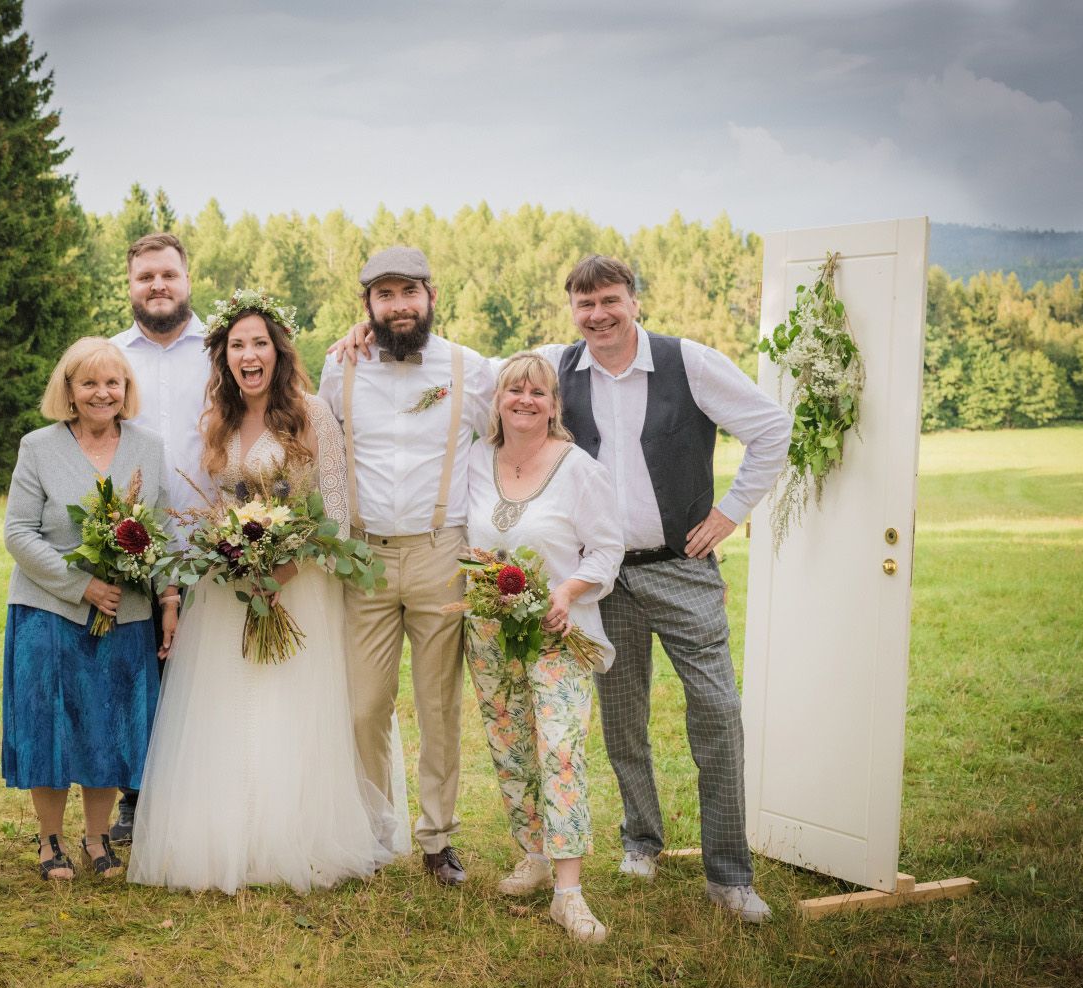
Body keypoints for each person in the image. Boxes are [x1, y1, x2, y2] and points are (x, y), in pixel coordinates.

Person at [330, 252, 792, 921]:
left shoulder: (686, 361)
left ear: (634, 300)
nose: (599, 315)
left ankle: (729, 875)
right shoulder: (555, 364)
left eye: (611, 300)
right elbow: (497, 376)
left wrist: (729, 513)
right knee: (622, 724)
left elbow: (771, 427)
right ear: (572, 310)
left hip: (674, 563)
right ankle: (639, 842)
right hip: (591, 582)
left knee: (716, 713)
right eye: (585, 304)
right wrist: (371, 330)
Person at [127, 290, 396, 894]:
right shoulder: (218, 420)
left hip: (298, 585)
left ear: (278, 351)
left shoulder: (311, 414)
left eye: (259, 344)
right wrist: (230, 557)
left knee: (287, 706)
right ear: (223, 357)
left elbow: (336, 514)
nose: (249, 356)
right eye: (237, 346)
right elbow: (215, 503)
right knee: (225, 706)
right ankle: (230, 834)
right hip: (230, 589)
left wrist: (281, 571)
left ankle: (292, 834)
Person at [317, 247, 494, 886]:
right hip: (363, 557)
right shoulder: (338, 368)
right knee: (364, 705)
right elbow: (322, 452)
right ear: (367, 305)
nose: (399, 306)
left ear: (431, 296)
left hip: (440, 552)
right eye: (384, 295)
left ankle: (438, 838)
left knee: (438, 705)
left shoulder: (472, 370)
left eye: (408, 292)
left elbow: (516, 427)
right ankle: (373, 831)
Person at [1, 337, 178, 880]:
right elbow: (18, 532)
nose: (102, 393)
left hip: (126, 614)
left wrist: (169, 599)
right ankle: (49, 840)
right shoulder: (38, 447)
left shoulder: (148, 448)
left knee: (110, 723)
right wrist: (82, 586)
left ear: (126, 389)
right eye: (89, 383)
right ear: (69, 390)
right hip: (48, 610)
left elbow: (164, 533)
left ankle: (98, 839)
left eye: (112, 383)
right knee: (49, 724)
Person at [463, 352, 623, 942]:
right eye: (514, 390)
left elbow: (607, 549)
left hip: (557, 630)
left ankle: (569, 893)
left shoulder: (578, 469)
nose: (525, 400)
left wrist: (567, 592)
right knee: (510, 747)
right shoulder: (476, 460)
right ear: (497, 400)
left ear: (554, 406)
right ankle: (532, 853)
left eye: (538, 392)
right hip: (488, 631)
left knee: (559, 750)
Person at [107, 232, 210, 843]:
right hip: (136, 542)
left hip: (213, 538)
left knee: (203, 673)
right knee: (136, 671)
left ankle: (202, 794)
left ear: (187, 279)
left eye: (168, 274)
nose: (158, 286)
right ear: (130, 286)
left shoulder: (221, 350)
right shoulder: (112, 358)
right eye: (145, 276)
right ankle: (136, 799)